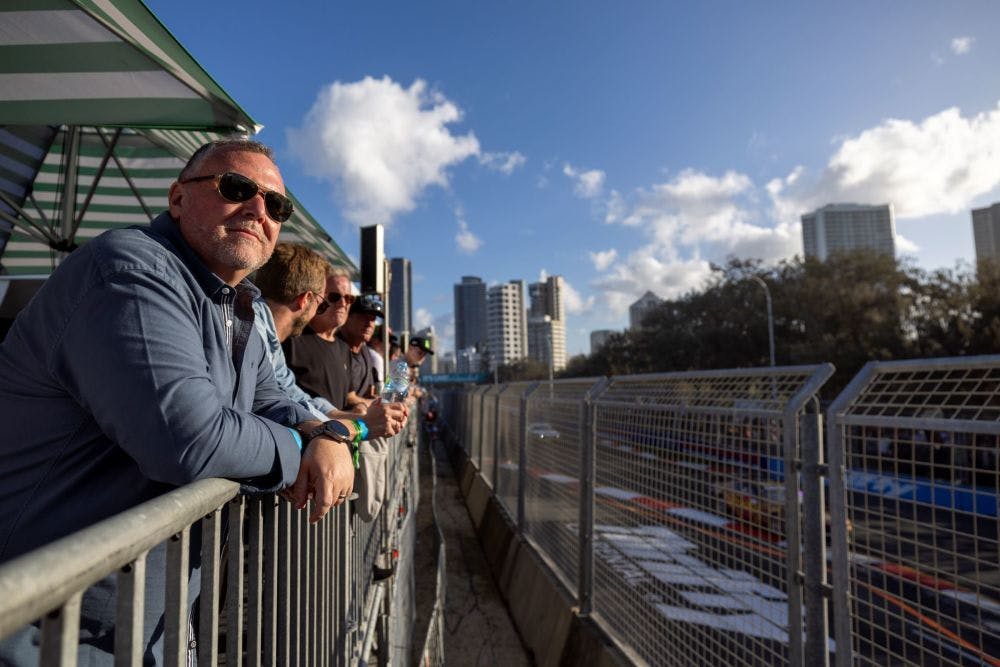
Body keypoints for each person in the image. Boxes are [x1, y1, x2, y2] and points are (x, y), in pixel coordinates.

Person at [0, 139, 353, 663]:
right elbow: (186, 437)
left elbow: (274, 394)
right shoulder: (131, 269)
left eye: (276, 206)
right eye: (237, 189)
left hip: (143, 621)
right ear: (178, 199)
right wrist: (301, 446)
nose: (259, 210)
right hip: (48, 624)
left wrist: (325, 433)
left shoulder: (235, 305)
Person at [253, 245, 406, 436]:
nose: (340, 305)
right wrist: (358, 429)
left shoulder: (269, 339)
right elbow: (275, 409)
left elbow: (297, 399)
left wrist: (361, 421)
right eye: (324, 300)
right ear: (306, 299)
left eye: (349, 299)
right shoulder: (258, 334)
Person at [337, 294, 384, 411]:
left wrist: (371, 398)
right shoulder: (335, 347)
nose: (369, 323)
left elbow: (369, 391)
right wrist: (375, 403)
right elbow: (346, 398)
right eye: (364, 316)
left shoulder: (365, 351)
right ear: (347, 317)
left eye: (373, 318)